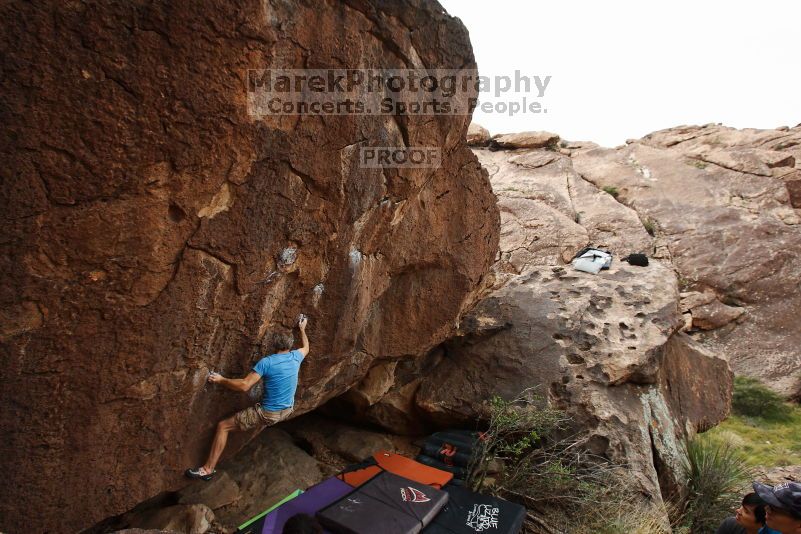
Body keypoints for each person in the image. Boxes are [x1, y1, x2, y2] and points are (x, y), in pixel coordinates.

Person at [185, 316, 310, 481]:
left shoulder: (267, 363)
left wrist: (221, 379)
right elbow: (306, 347)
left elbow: (244, 385)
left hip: (268, 413)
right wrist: (302, 329)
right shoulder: (296, 356)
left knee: (223, 426)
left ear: (274, 345)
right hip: (286, 411)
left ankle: (208, 470)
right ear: (289, 345)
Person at [716, 492, 781, 534]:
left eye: (746, 511)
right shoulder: (730, 524)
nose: (738, 511)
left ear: (763, 521)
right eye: (742, 506)